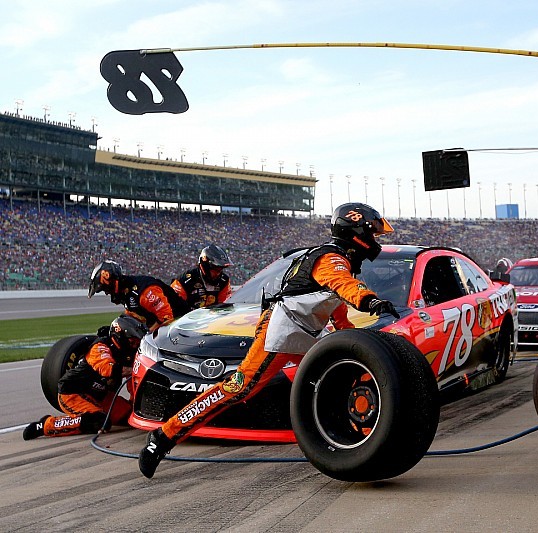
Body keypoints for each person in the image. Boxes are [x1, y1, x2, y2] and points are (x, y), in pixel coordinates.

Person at [137, 202, 401, 478]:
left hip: (304, 332)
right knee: (239, 387)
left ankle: (355, 436)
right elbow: (343, 286)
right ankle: (163, 437)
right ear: (356, 233)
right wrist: (370, 300)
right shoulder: (331, 259)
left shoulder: (337, 260)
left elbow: (336, 307)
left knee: (340, 373)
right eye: (372, 234)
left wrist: (351, 337)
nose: (375, 241)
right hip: (281, 328)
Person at [23, 316, 147, 440]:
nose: (135, 345)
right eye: (132, 342)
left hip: (100, 395)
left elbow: (133, 381)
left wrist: (136, 403)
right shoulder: (100, 347)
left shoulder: (128, 353)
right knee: (98, 421)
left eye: (137, 342)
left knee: (133, 415)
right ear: (121, 337)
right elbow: (108, 370)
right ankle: (46, 425)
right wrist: (138, 369)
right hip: (73, 393)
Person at [88, 260, 189, 331]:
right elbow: (132, 317)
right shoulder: (126, 293)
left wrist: (147, 335)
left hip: (183, 326)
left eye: (105, 289)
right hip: (169, 329)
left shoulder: (144, 291)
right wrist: (113, 328)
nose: (107, 293)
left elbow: (166, 318)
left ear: (112, 282)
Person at [171, 245, 234, 309]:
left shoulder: (224, 281)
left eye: (221, 269)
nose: (218, 273)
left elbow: (225, 305)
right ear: (205, 265)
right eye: (215, 269)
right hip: (188, 314)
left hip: (213, 314)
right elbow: (173, 307)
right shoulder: (184, 281)